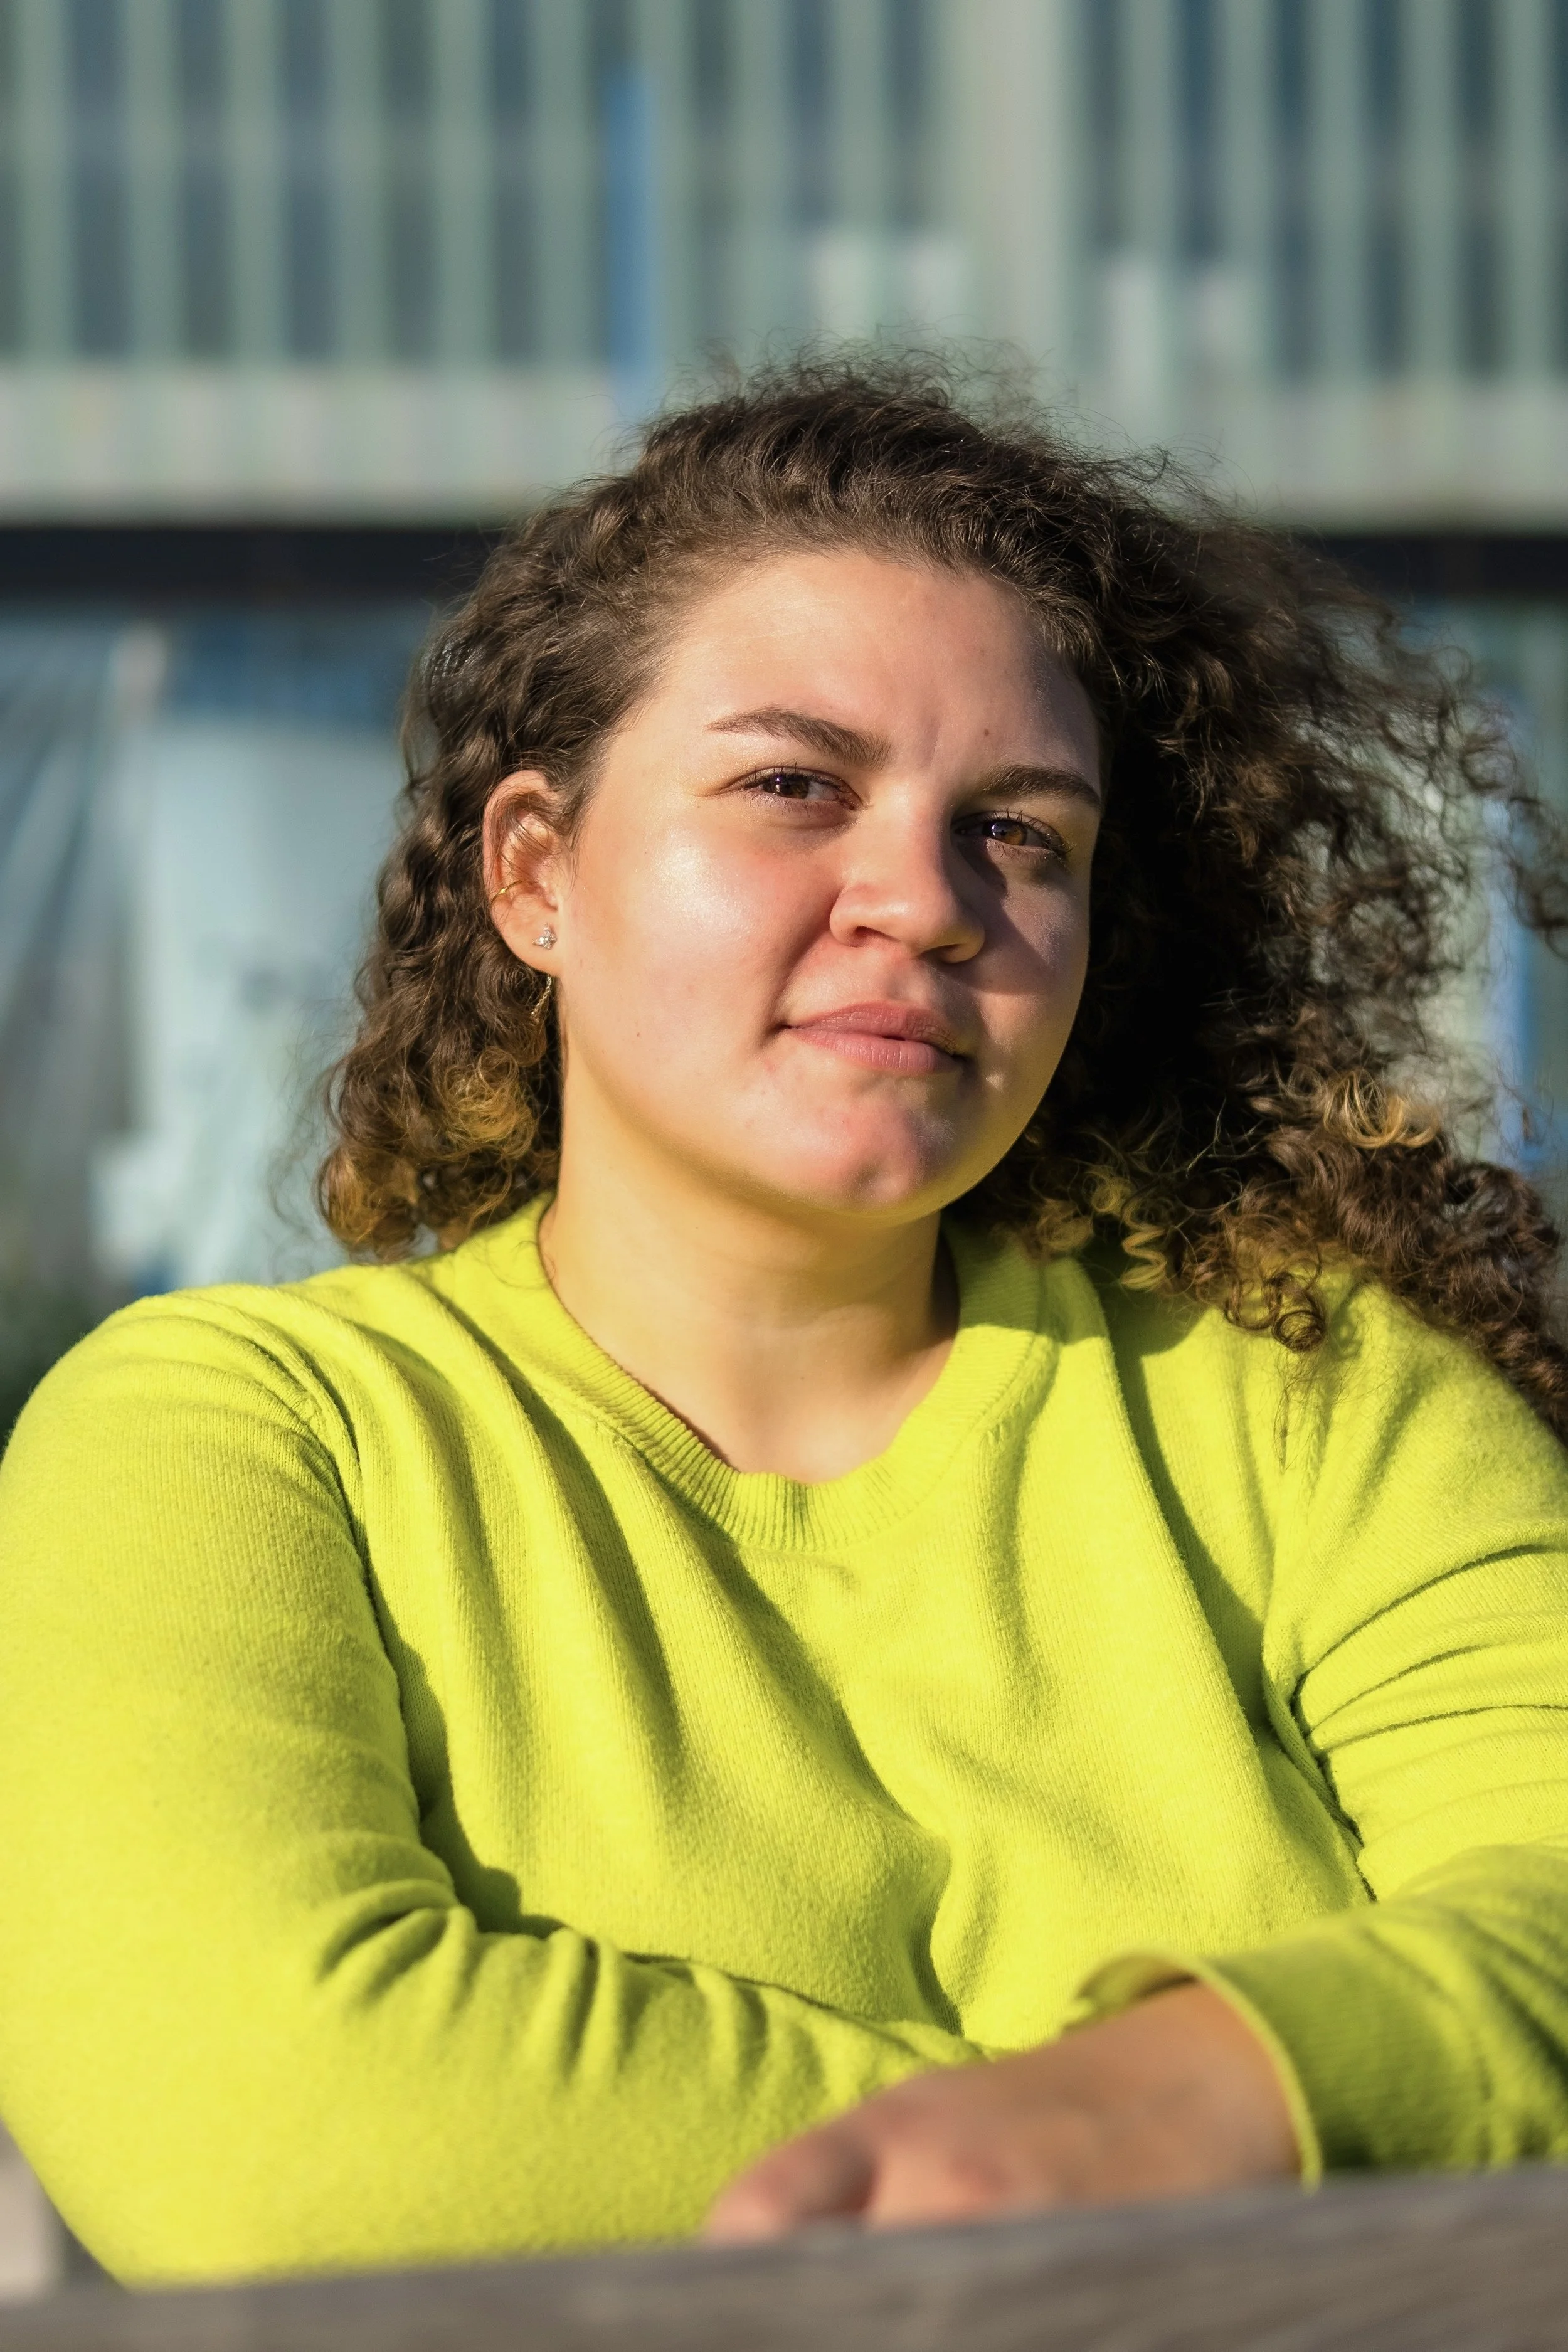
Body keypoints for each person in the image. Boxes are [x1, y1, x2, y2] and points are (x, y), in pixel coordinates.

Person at [4, 361, 1568, 2286]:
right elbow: (270, 2126)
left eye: (1021, 832)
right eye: (790, 786)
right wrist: (1221, 2139)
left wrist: (1153, 2113)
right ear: (533, 873)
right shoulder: (228, 1444)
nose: (921, 900)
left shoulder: (1321, 1395)